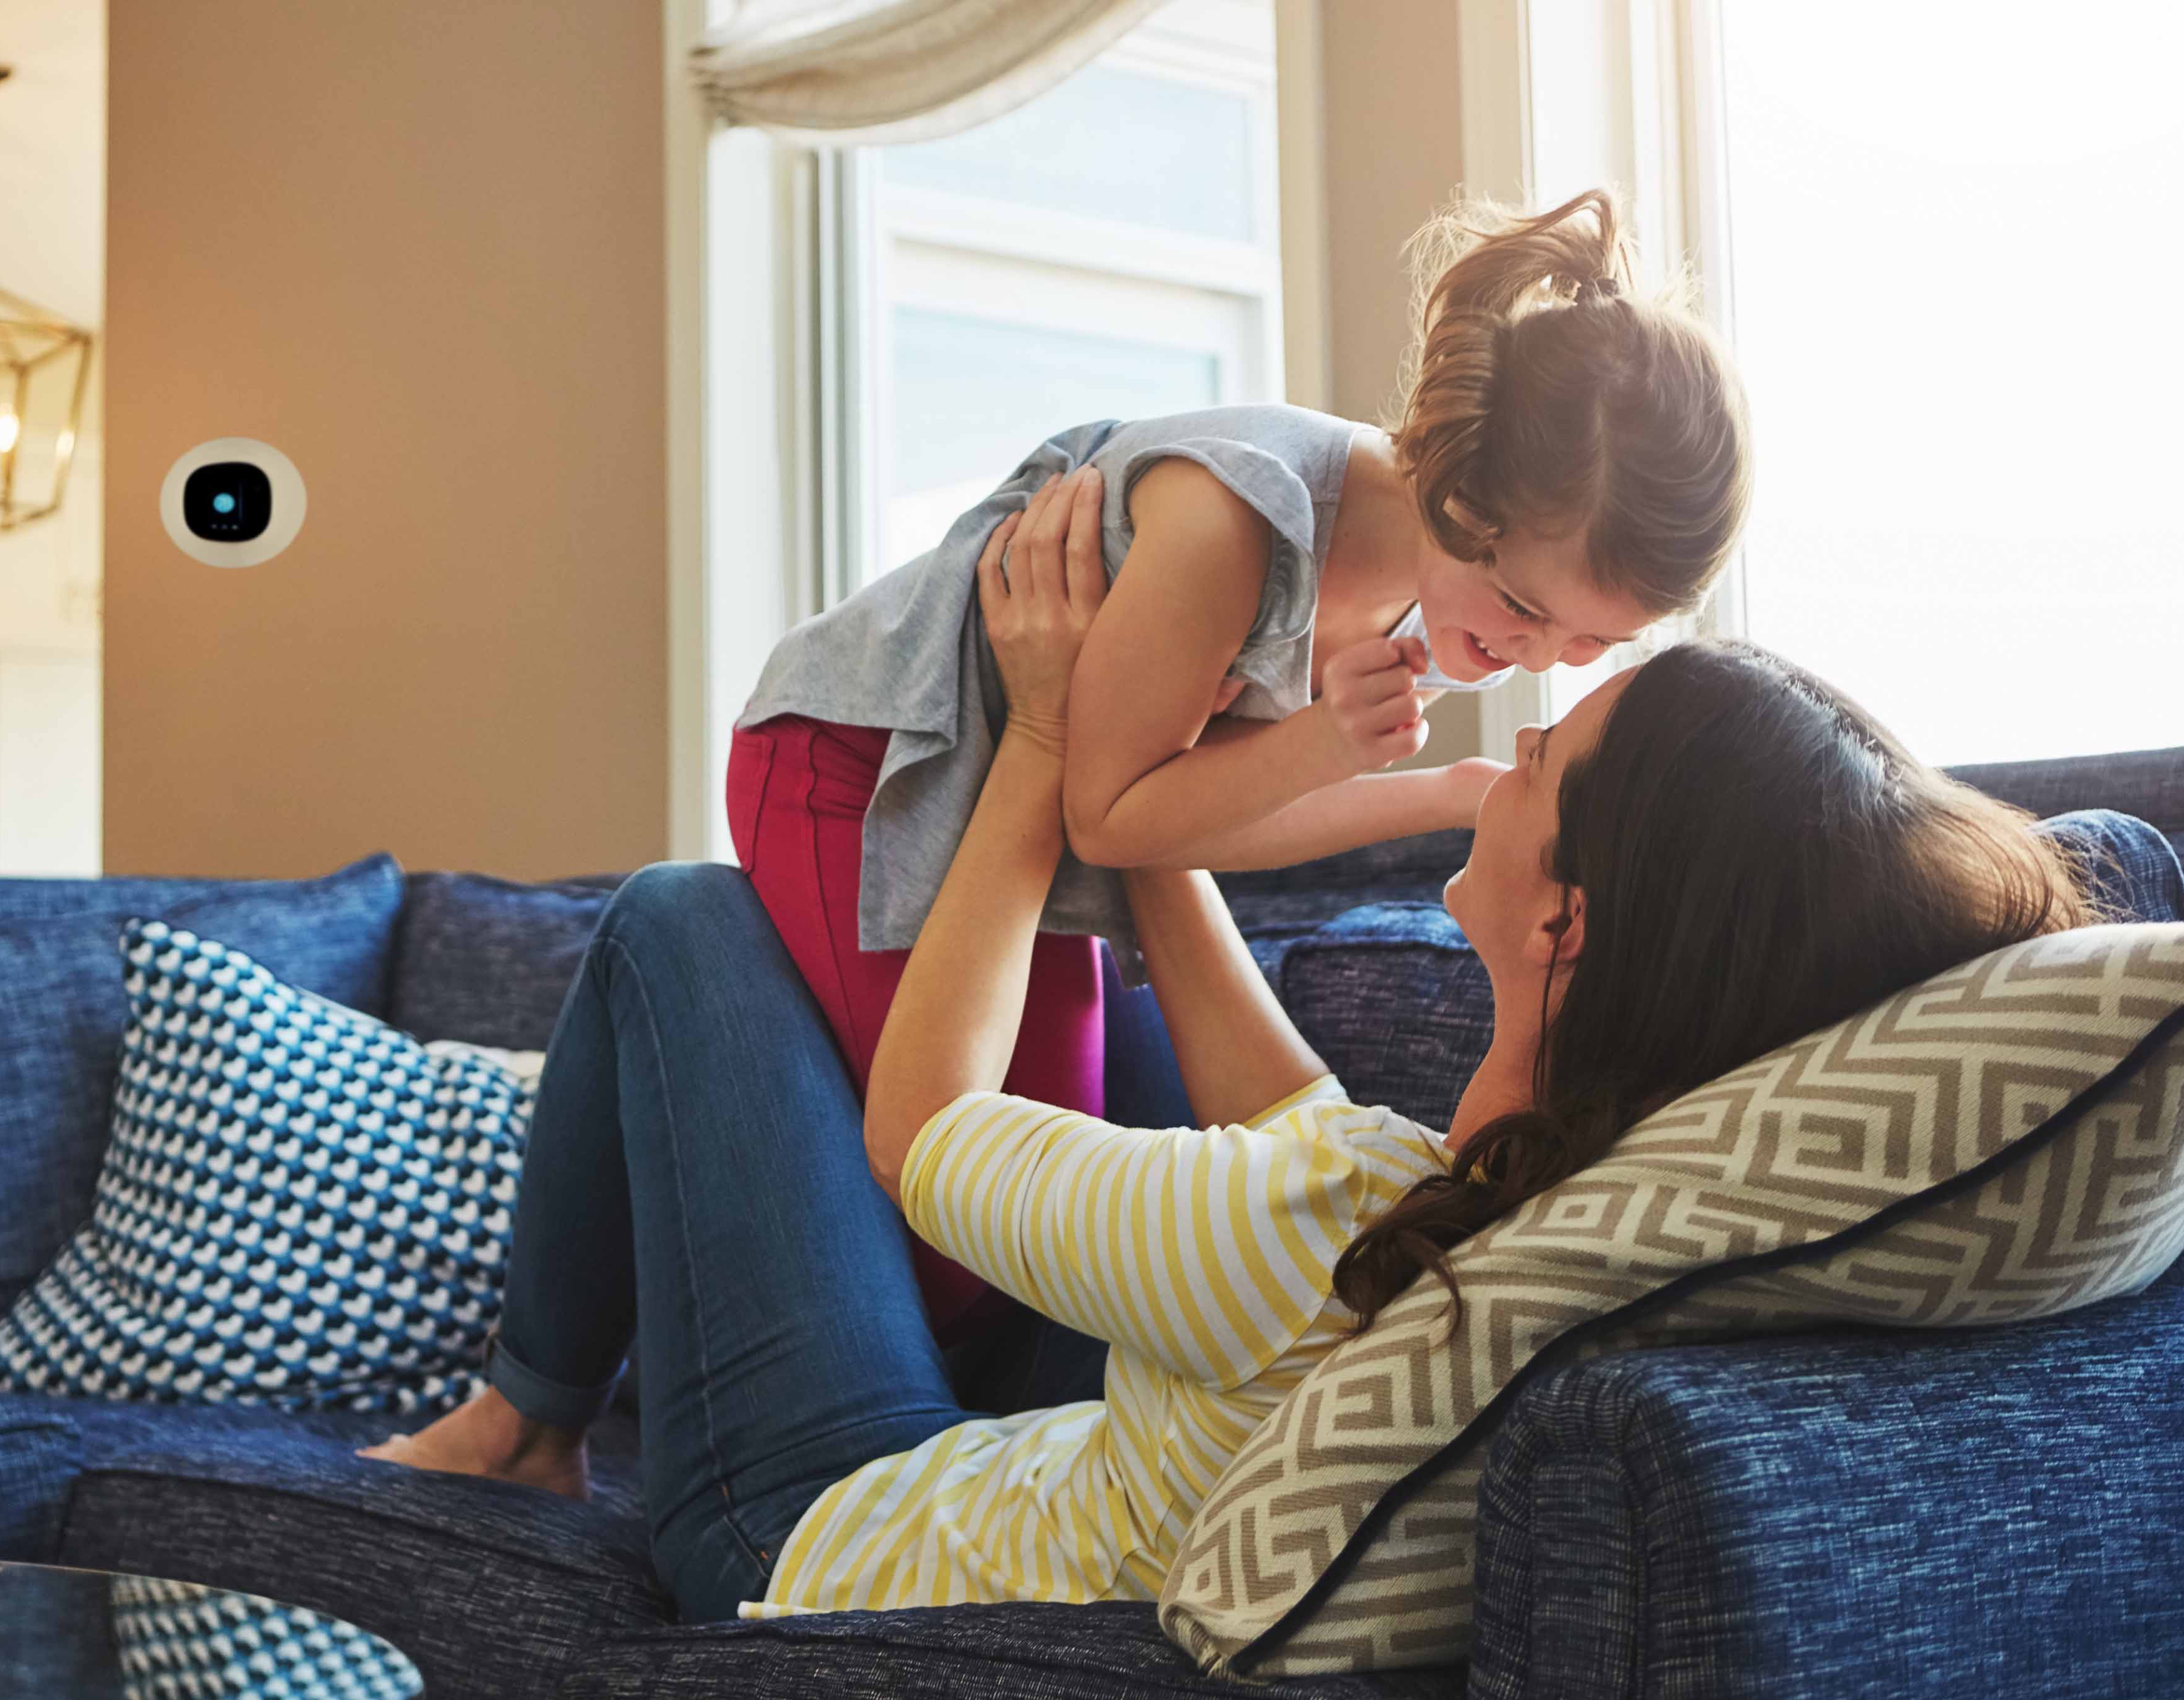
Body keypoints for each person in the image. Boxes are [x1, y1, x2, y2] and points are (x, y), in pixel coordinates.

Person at [367, 469, 2091, 1624]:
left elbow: (926, 1127)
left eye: (1551, 762)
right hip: (1112, 1455)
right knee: (1116, 1005)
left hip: (823, 1523)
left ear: (1563, 922)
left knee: (684, 917)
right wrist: (1144, 817)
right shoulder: (1537, 1205)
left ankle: (531, 1413)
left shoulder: (1304, 1235)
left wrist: (1045, 740)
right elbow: (1302, 1142)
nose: (1515, 745)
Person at [727, 188, 1753, 1339]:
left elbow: (1180, 820)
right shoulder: (1237, 525)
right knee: (956, 1230)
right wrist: (1325, 747)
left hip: (1022, 825)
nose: (1539, 659)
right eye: (1524, 606)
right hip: (863, 768)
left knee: (1030, 1221)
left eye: (1592, 642)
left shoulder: (1421, 579)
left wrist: (1453, 795)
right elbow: (1114, 819)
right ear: (1451, 478)